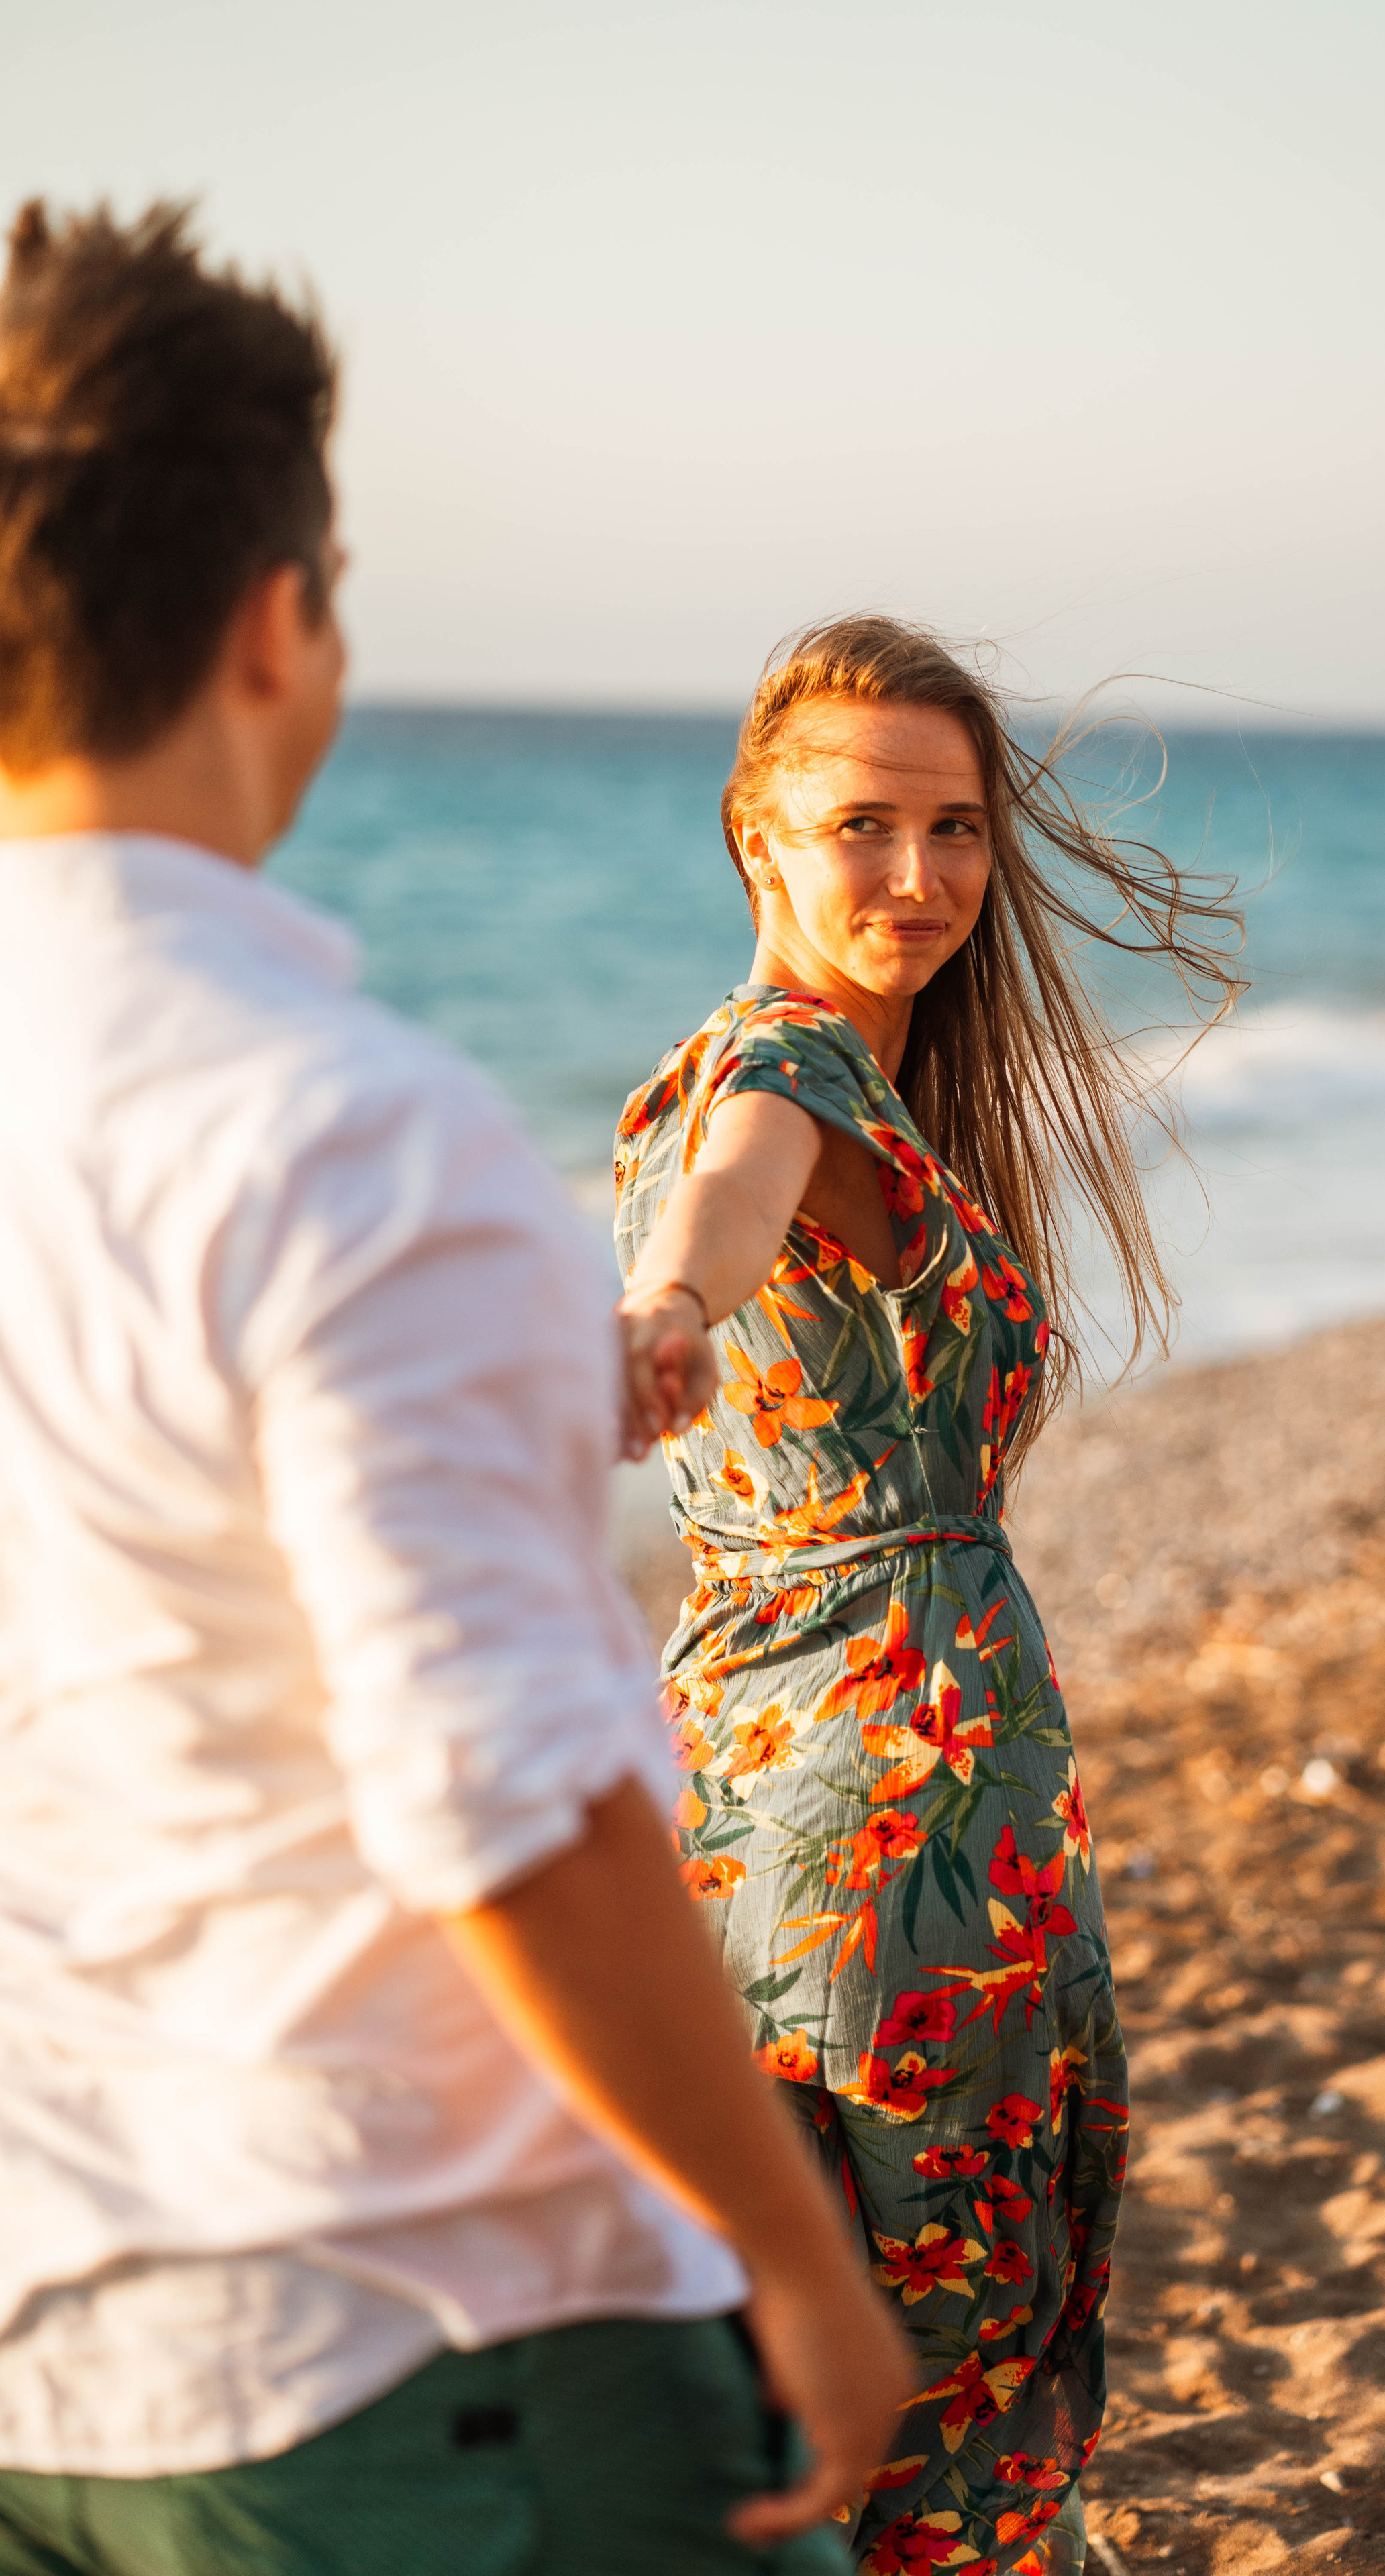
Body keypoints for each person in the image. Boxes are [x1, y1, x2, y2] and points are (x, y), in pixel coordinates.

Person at [0, 199, 908, 2576]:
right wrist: (800, 2265)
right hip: (412, 2326)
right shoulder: (342, 1130)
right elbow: (506, 1804)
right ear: (283, 620)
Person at [613, 619, 1243, 2576]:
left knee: (870, 2252)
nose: (918, 877)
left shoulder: (806, 1080)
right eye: (860, 826)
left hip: (828, 1744)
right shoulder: (785, 1071)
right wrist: (670, 1308)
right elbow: (741, 1186)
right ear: (756, 843)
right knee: (930, 2278)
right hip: (880, 1795)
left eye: (954, 827)